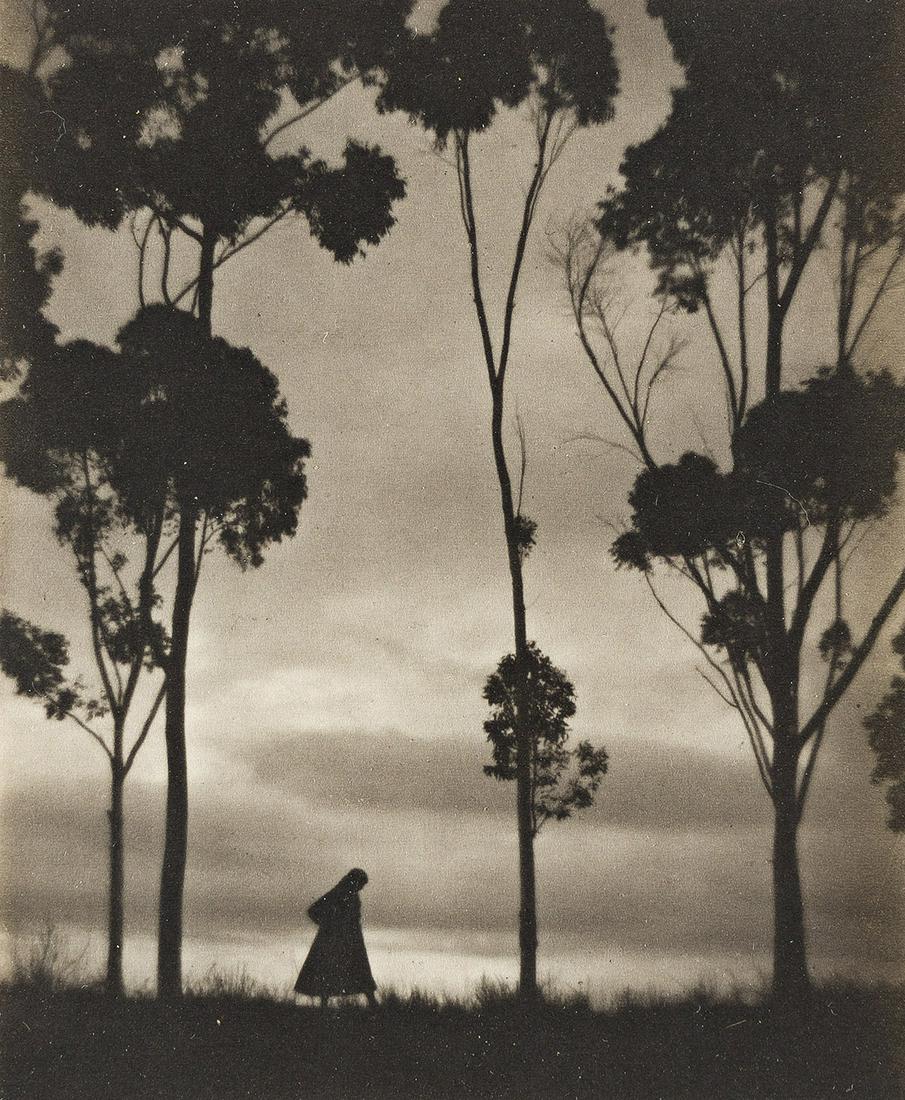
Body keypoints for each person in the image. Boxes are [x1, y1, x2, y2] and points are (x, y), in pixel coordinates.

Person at [294, 868, 377, 1008]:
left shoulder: (352, 895)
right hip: (336, 941)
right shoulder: (337, 893)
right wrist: (329, 927)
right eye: (361, 884)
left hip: (351, 940)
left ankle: (373, 1004)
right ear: (355, 881)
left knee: (359, 972)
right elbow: (313, 911)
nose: (362, 888)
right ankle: (325, 1006)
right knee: (330, 972)